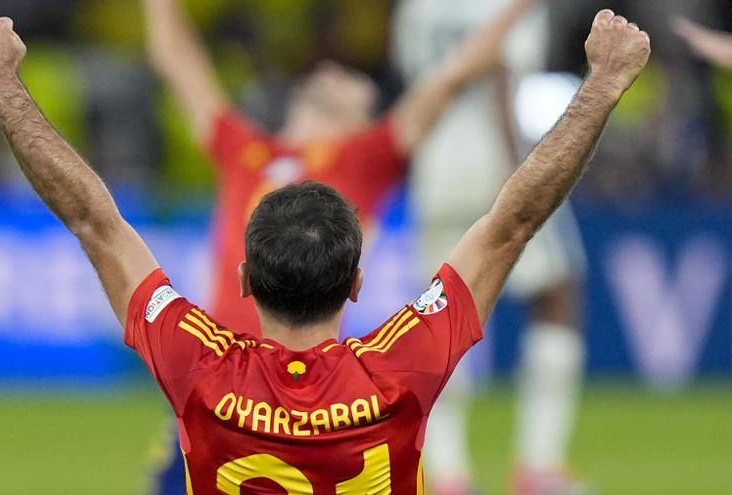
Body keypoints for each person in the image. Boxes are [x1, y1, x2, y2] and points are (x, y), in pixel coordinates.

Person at [0, 9, 649, 492]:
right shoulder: (398, 370)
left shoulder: (195, 364)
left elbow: (93, 219)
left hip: (216, 414)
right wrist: (602, 85)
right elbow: (512, 222)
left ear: (242, 277)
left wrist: (4, 90)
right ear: (356, 282)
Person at [142, 0, 536, 489]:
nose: (334, 72)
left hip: (294, 382)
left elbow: (452, 76)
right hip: (218, 380)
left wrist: (519, 9)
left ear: (363, 118)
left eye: (353, 80)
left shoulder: (366, 158)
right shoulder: (244, 149)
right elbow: (177, 61)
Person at [392, 1, 588, 493]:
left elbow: (418, 82)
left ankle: (447, 474)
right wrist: (517, 174)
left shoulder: (418, 8)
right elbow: (504, 76)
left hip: (435, 172)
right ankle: (537, 467)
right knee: (557, 295)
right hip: (494, 169)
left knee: (436, 317)